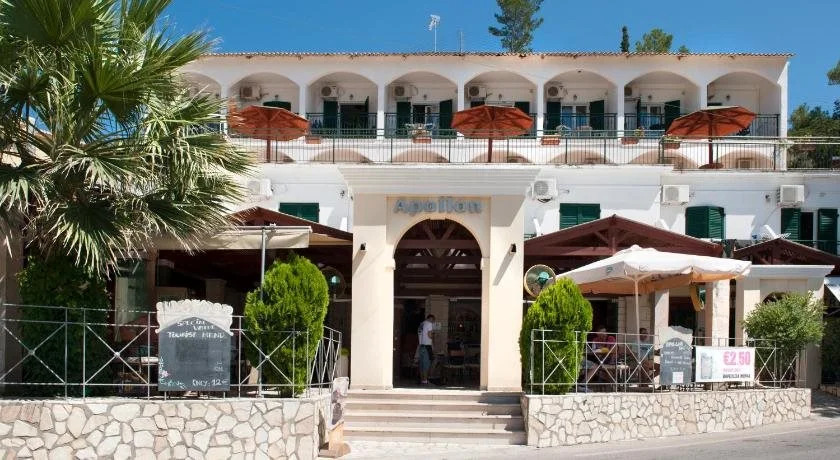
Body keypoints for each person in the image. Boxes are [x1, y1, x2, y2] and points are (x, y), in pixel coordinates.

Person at [417, 314, 435, 384]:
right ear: (431, 319)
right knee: (426, 364)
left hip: (421, 346)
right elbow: (430, 335)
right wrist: (433, 335)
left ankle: (422, 380)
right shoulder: (429, 324)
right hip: (427, 347)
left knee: (421, 365)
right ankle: (425, 380)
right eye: (433, 320)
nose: (433, 322)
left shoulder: (421, 324)